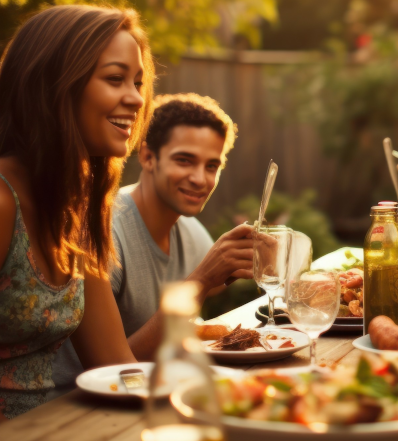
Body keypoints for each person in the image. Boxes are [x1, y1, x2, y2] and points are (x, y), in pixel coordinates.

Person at [0, 5, 153, 435]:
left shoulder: (77, 208)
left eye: (138, 83)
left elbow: (117, 367)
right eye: (115, 78)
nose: (137, 98)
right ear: (54, 85)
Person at [52, 94, 254, 385]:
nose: (200, 178)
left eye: (212, 166)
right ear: (148, 157)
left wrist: (250, 264)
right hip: (81, 405)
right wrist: (202, 279)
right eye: (185, 160)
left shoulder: (192, 231)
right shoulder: (103, 231)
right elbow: (112, 373)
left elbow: (208, 299)